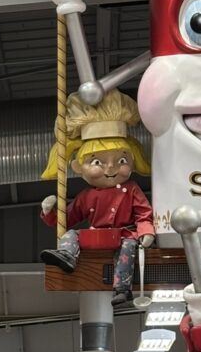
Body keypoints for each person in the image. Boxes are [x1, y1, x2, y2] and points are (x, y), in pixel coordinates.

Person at [39, 90, 154, 304]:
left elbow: (143, 214)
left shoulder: (132, 190)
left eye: (121, 161)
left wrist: (145, 232)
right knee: (71, 234)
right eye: (97, 162)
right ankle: (67, 256)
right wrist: (50, 212)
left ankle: (122, 287)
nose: (110, 169)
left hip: (122, 236)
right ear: (78, 168)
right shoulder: (86, 196)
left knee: (128, 247)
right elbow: (68, 218)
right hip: (95, 237)